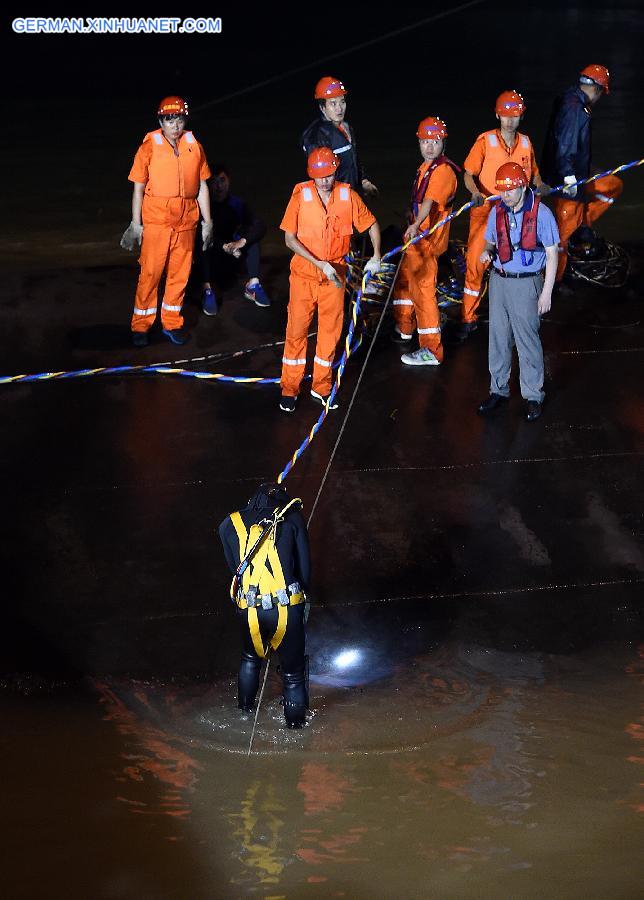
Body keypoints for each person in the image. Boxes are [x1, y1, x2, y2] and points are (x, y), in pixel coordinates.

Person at [278, 147, 381, 413]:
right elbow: (290, 238)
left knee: (330, 333)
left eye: (330, 174)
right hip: (304, 276)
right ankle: (290, 387)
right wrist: (318, 263)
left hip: (335, 277)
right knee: (296, 332)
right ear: (312, 175)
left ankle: (321, 387)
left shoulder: (347, 196)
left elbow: (371, 224)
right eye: (320, 176)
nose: (325, 180)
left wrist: (377, 255)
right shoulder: (300, 195)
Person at [121, 96, 213, 347]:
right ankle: (141, 325)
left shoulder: (195, 147)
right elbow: (138, 188)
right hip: (157, 221)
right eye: (169, 120)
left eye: (179, 119)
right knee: (150, 274)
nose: (175, 125)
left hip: (187, 221)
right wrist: (135, 223)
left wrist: (208, 222)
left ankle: (171, 322)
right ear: (161, 121)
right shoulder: (148, 148)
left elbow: (203, 185)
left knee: (179, 275)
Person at [458, 90, 549, 341]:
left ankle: (519, 310)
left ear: (521, 116)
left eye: (515, 115)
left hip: (516, 211)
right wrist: (475, 192)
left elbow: (534, 173)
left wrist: (540, 185)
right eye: (506, 115)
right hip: (486, 209)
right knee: (476, 263)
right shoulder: (485, 141)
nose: (510, 120)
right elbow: (468, 173)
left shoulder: (526, 143)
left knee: (518, 260)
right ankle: (468, 317)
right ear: (497, 115)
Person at [219, 482, 310, 728]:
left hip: (249, 609)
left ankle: (244, 714)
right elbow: (305, 573)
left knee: (250, 659)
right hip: (286, 608)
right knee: (293, 676)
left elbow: (235, 570)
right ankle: (296, 733)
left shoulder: (230, 524)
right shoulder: (292, 519)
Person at [477, 163, 559, 422]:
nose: (506, 195)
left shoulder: (542, 214)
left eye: (511, 189)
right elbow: (491, 239)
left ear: (523, 186)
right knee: (498, 338)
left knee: (527, 340)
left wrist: (546, 292)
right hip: (500, 280)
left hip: (526, 283)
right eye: (503, 190)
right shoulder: (497, 211)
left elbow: (552, 252)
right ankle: (498, 390)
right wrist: (487, 251)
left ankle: (533, 394)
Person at [541, 64, 622, 285]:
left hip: (575, 172)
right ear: (596, 89)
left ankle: (582, 225)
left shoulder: (571, 99)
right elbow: (566, 143)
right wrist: (568, 176)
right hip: (567, 180)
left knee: (612, 185)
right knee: (562, 239)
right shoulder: (575, 108)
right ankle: (553, 284)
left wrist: (587, 169)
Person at [392, 116, 459, 366]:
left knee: (423, 292)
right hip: (416, 241)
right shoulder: (424, 168)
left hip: (427, 242)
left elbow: (429, 202)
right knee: (405, 282)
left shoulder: (443, 172)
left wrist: (415, 224)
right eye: (425, 141)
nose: (430, 146)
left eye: (435, 141)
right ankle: (405, 327)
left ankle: (431, 349)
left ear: (443, 143)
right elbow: (420, 201)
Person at [199, 163, 271, 315]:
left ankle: (253, 285)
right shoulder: (203, 206)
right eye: (214, 181)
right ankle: (207, 290)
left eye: (222, 180)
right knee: (202, 242)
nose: (219, 186)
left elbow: (260, 225)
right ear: (207, 184)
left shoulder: (236, 204)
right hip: (211, 259)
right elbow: (197, 235)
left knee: (251, 236)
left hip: (232, 256)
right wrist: (223, 245)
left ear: (229, 181)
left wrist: (242, 242)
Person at [302, 76, 378, 197]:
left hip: (351, 195)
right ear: (322, 107)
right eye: (333, 103)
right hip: (335, 199)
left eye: (342, 102)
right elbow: (320, 177)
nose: (339, 108)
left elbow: (353, 159)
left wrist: (364, 181)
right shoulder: (315, 135)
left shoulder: (346, 127)